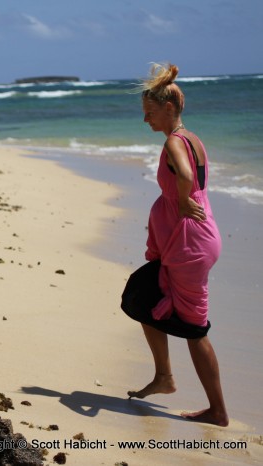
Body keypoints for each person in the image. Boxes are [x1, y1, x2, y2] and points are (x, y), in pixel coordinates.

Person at [126, 63, 228, 427]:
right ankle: (164, 377)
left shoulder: (174, 142)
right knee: (141, 296)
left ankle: (216, 410)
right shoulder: (193, 139)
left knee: (195, 328)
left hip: (189, 245)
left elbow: (185, 176)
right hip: (192, 241)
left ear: (168, 109)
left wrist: (183, 202)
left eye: (149, 113)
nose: (146, 120)